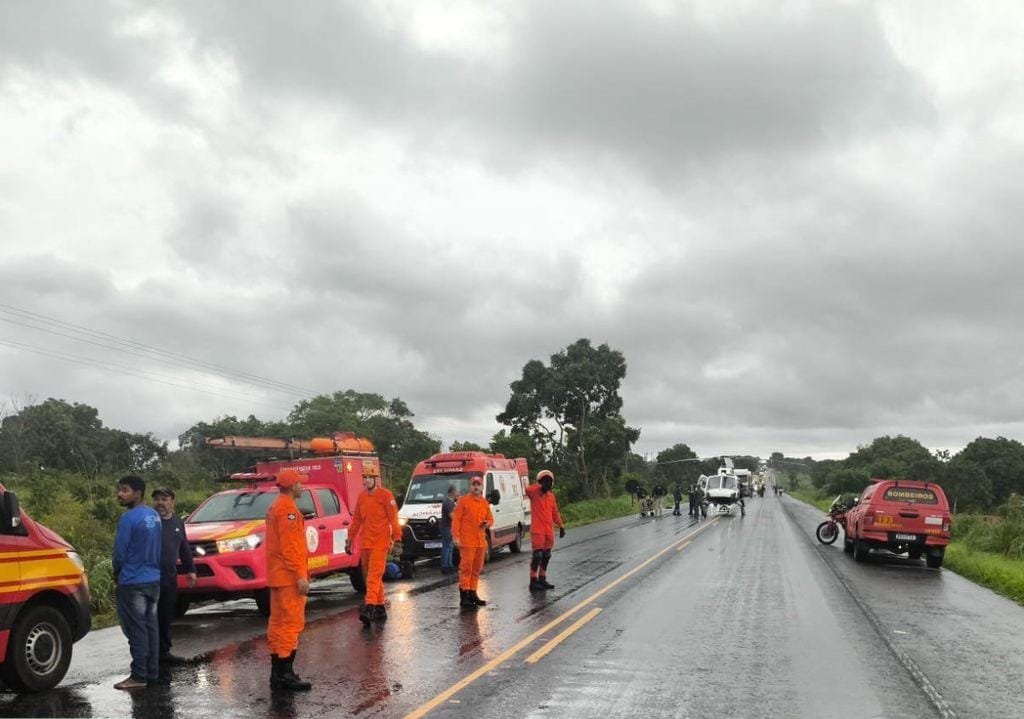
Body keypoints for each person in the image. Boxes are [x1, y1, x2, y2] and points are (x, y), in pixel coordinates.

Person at [113, 475, 162, 690]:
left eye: (125, 490)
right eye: (120, 490)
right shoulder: (154, 516)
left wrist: (117, 572)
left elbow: (120, 553)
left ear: (138, 493)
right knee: (151, 627)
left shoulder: (129, 518)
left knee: (136, 630)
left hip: (133, 581)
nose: (120, 494)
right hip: (153, 579)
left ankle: (139, 675)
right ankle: (152, 672)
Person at [266, 469, 312, 691]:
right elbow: (291, 547)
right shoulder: (288, 510)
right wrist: (300, 576)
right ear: (292, 486)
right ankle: (285, 673)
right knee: (291, 623)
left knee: (277, 623)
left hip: (277, 575)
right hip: (288, 577)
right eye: (299, 484)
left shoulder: (276, 506)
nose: (302, 487)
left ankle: (277, 672)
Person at [345, 467, 402, 624]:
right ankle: (380, 607)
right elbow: (356, 520)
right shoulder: (362, 497)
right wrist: (349, 538)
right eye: (365, 477)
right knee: (372, 575)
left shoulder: (385, 495)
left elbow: (393, 519)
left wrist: (397, 538)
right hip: (366, 542)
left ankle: (369, 606)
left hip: (381, 542)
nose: (367, 480)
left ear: (376, 479)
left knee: (373, 575)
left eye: (370, 477)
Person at [150, 487, 197, 666]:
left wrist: (190, 570)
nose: (160, 503)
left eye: (164, 499)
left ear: (172, 502)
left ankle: (164, 652)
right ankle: (149, 654)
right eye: (157, 499)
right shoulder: (149, 522)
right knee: (150, 617)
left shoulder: (178, 522)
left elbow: (184, 547)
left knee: (166, 615)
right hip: (150, 577)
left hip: (169, 577)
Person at [452, 476, 493, 608]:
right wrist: (456, 537)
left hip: (480, 542)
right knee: (466, 569)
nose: (476, 487)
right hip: (467, 541)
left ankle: (473, 593)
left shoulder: (484, 503)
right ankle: (464, 596)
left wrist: (487, 523)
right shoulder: (463, 501)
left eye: (478, 485)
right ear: (470, 487)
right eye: (474, 484)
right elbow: (456, 520)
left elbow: (491, 519)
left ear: (481, 487)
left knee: (476, 569)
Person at [525, 470, 565, 592]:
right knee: (537, 555)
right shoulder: (534, 493)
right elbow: (527, 489)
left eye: (549, 481)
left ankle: (542, 579)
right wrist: (539, 484)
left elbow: (555, 513)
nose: (547, 483)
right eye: (544, 481)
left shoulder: (551, 496)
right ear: (540, 482)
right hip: (538, 530)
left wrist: (561, 526)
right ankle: (533, 580)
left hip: (549, 531)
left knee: (546, 555)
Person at [440, 485, 458, 574]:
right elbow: (452, 516)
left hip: (448, 527)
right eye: (456, 491)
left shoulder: (450, 502)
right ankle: (445, 566)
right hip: (447, 527)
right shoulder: (448, 502)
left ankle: (449, 565)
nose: (457, 493)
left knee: (450, 546)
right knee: (447, 547)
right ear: (452, 492)